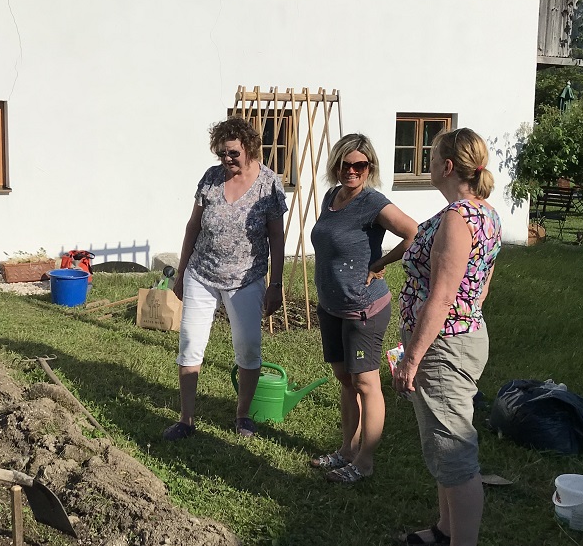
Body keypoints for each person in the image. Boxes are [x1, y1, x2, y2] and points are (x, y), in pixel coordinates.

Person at [391, 128, 502, 546]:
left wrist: (413, 358)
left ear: (448, 166)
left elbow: (441, 297)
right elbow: (483, 283)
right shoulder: (486, 214)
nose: (428, 162)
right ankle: (445, 527)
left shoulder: (457, 219)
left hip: (443, 344)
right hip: (464, 334)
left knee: (454, 450)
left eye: (432, 156)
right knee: (441, 440)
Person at [163, 117, 286, 440]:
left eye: (232, 153)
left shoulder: (269, 184)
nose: (226, 160)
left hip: (246, 278)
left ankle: (243, 415)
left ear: (249, 147)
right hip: (201, 274)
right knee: (190, 343)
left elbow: (277, 237)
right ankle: (186, 419)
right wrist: (181, 272)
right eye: (221, 154)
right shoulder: (211, 178)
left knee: (247, 348)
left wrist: (276, 283)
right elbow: (194, 225)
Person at [309, 134, 417, 483]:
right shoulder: (331, 197)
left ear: (370, 168)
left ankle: (364, 462)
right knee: (345, 379)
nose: (352, 171)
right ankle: (346, 450)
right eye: (346, 164)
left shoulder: (372, 202)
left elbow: (414, 231)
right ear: (336, 164)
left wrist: (380, 262)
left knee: (366, 383)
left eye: (360, 165)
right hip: (331, 304)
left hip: (363, 307)